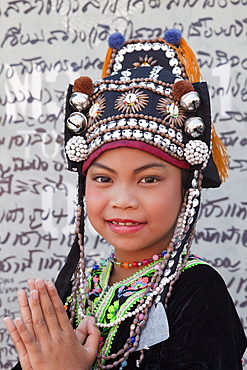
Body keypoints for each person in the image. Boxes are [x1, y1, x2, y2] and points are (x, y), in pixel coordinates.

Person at [4, 29, 247, 369]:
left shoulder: (199, 292)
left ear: (186, 187)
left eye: (148, 179)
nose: (123, 200)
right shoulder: (81, 287)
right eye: (103, 178)